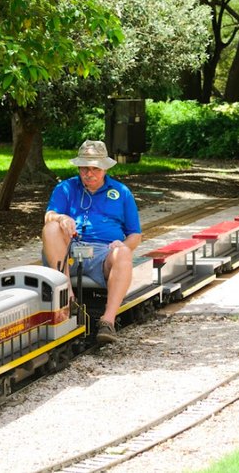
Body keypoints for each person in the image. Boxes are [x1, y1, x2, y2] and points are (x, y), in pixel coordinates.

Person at [42, 140, 142, 344]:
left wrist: (123, 246)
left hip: (103, 253)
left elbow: (135, 234)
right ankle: (68, 298)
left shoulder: (121, 192)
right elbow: (49, 215)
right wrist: (61, 218)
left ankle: (107, 321)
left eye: (94, 168)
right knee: (51, 227)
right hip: (68, 250)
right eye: (84, 168)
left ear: (104, 168)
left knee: (123, 252)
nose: (89, 173)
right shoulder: (66, 188)